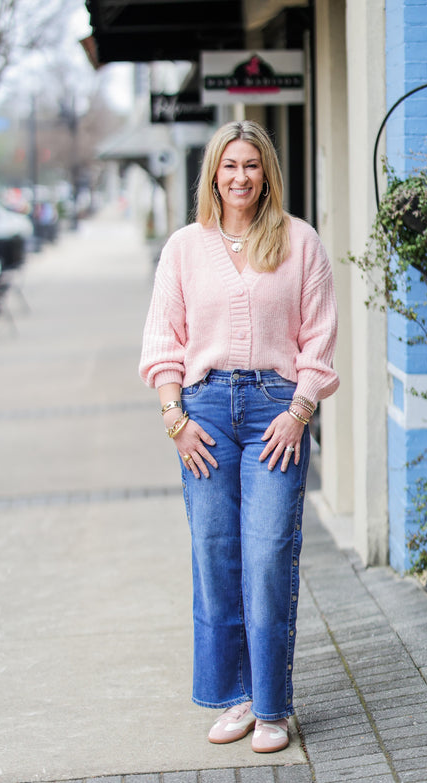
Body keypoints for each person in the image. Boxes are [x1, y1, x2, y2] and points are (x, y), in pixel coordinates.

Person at [139, 120, 339, 753]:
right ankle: (236, 697)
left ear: (268, 172)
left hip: (275, 416)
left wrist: (300, 409)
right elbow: (162, 343)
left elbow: (319, 338)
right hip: (203, 415)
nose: (241, 177)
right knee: (216, 555)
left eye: (252, 165)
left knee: (269, 553)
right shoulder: (183, 248)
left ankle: (273, 705)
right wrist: (175, 418)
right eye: (230, 166)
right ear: (213, 175)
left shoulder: (300, 242)